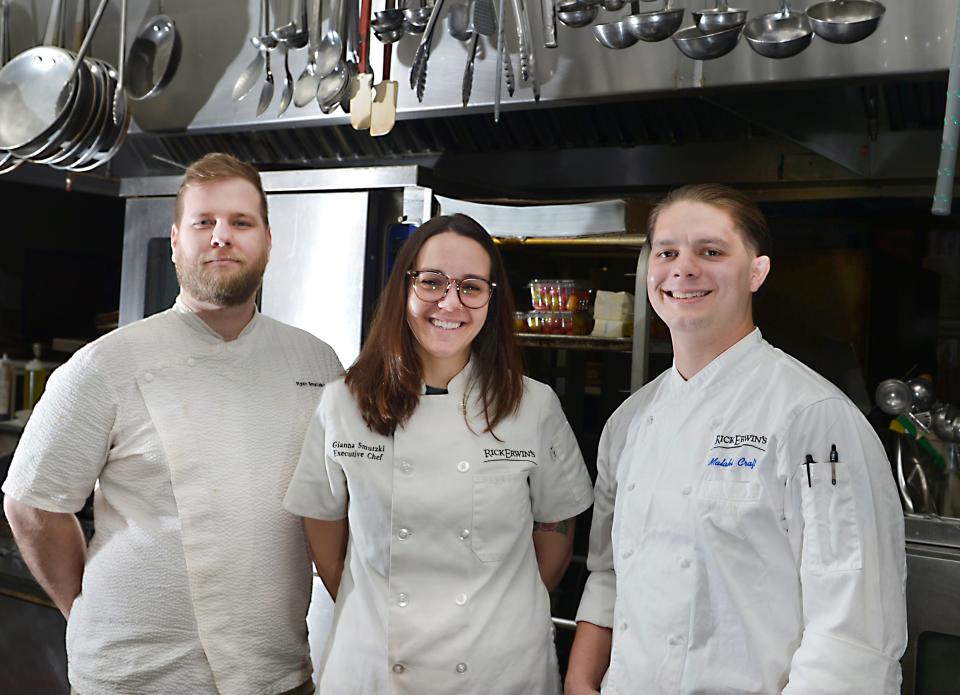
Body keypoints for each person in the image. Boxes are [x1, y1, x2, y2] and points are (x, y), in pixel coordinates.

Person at [2, 153, 343, 695]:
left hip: (276, 675)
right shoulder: (105, 364)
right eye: (203, 222)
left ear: (269, 241)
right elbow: (32, 504)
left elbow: (338, 508)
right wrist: (85, 612)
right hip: (136, 679)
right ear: (175, 240)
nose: (220, 237)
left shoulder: (316, 364)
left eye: (241, 222)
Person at [565, 184, 907, 695]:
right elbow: (610, 575)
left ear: (756, 271)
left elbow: (852, 634)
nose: (683, 269)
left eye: (711, 251)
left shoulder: (814, 418)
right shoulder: (629, 422)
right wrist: (578, 680)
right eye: (667, 252)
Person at [283, 213, 594, 694]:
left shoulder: (533, 406)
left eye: (471, 287)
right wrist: (372, 605)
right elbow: (323, 520)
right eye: (432, 282)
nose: (450, 302)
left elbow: (555, 529)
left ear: (492, 299)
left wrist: (504, 609)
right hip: (375, 666)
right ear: (404, 288)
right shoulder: (342, 403)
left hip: (499, 669)